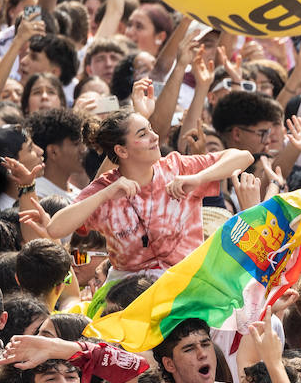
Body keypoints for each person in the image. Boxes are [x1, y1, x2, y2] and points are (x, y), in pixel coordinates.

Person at [49, 108, 253, 277]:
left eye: (150, 130)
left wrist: (198, 178)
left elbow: (243, 157)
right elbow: (55, 229)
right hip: (131, 295)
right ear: (122, 151)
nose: (155, 137)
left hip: (190, 284)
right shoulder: (106, 188)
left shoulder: (176, 167)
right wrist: (105, 194)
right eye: (142, 134)